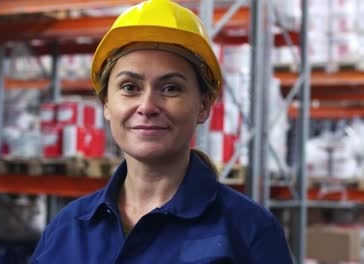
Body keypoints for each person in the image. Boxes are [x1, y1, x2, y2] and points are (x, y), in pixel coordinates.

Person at [31, 0, 293, 263]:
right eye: (129, 87)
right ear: (107, 104)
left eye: (170, 88)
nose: (147, 106)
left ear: (203, 106)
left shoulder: (249, 232)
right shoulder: (68, 229)